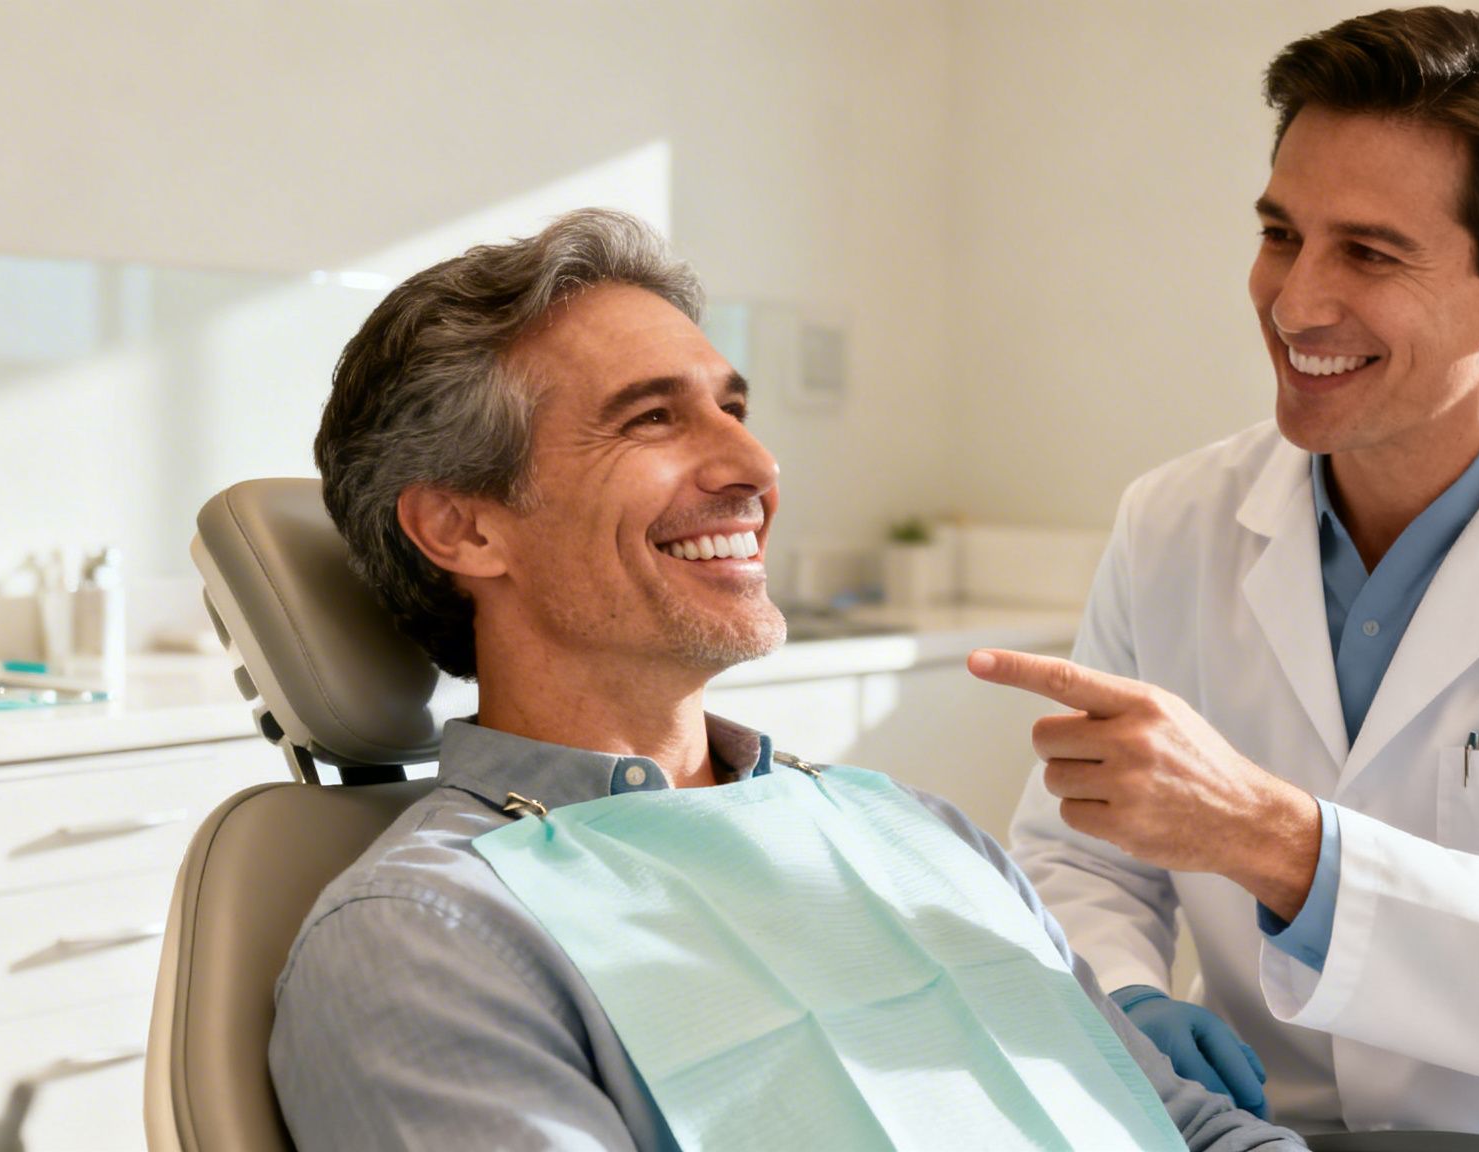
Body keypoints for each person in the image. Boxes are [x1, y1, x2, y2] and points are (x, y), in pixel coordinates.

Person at [269, 207, 1305, 1152]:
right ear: (463, 526)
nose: (753, 466)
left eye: (732, 407)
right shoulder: (431, 938)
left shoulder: (908, 830)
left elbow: (1184, 1130)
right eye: (651, 420)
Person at [976, 8, 1479, 1150]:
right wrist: (1125, 992)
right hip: (1267, 1128)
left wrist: (1275, 840)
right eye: (1278, 232)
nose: (1295, 301)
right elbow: (1075, 852)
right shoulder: (1173, 522)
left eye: (1368, 252)